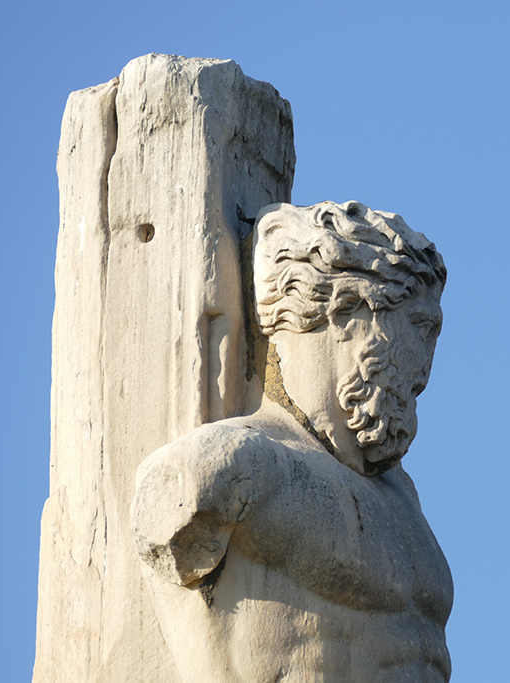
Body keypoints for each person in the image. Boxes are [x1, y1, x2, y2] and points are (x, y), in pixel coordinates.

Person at [131, 201, 452, 682]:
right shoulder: (228, 466)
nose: (426, 369)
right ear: (348, 310)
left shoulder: (401, 495)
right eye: (420, 329)